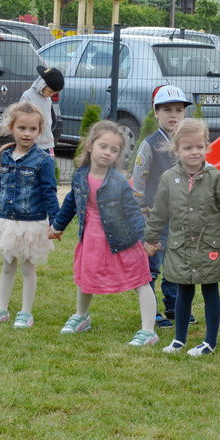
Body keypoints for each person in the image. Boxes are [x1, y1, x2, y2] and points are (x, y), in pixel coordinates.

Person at [50, 120, 158, 346]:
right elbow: (71, 202)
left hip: (122, 237)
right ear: (90, 146)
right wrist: (58, 226)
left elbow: (132, 212)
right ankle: (81, 316)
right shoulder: (81, 174)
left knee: (140, 278)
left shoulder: (118, 181)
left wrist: (146, 239)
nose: (108, 152)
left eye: (114, 150)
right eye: (103, 146)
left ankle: (148, 330)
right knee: (85, 276)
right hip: (92, 236)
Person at [144, 118, 220, 356]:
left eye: (199, 146)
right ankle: (179, 339)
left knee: (210, 290)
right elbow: (159, 210)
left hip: (209, 244)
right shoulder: (168, 178)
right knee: (183, 291)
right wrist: (151, 237)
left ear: (206, 146)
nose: (194, 152)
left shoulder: (215, 177)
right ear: (176, 150)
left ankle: (210, 341)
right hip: (180, 247)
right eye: (188, 148)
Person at [0, 102, 60, 328]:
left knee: (28, 267)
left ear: (39, 131)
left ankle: (25, 312)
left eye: (33, 129)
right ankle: (1, 309)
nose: (27, 133)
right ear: (12, 127)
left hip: (32, 223)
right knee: (7, 266)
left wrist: (56, 222)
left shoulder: (43, 161)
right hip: (6, 222)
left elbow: (49, 193)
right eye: (22, 128)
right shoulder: (3, 155)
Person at [132, 85, 194, 329]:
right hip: (154, 220)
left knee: (177, 264)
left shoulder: (190, 144)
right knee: (152, 266)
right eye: (167, 109)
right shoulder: (149, 145)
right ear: (156, 112)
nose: (174, 115)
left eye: (179, 110)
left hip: (181, 219)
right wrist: (144, 219)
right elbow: (138, 183)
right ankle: (152, 310)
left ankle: (174, 304)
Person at [20, 66, 63, 156]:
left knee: (49, 168)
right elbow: (22, 120)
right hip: (32, 145)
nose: (50, 95)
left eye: (53, 93)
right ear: (42, 84)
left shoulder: (47, 99)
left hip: (47, 144)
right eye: (50, 91)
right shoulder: (28, 96)